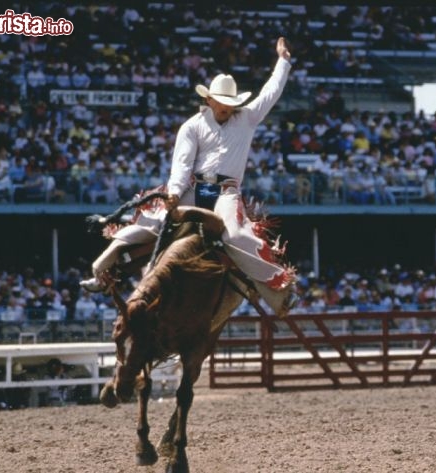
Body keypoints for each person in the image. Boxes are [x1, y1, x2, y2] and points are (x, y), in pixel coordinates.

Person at [80, 37, 297, 317]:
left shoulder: (247, 118)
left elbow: (270, 93)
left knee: (235, 235)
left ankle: (278, 290)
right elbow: (181, 165)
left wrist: (283, 62)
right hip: (194, 187)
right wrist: (174, 192)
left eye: (230, 103)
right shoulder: (192, 127)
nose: (226, 107)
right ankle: (103, 269)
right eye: (221, 102)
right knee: (156, 221)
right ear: (208, 99)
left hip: (226, 192)